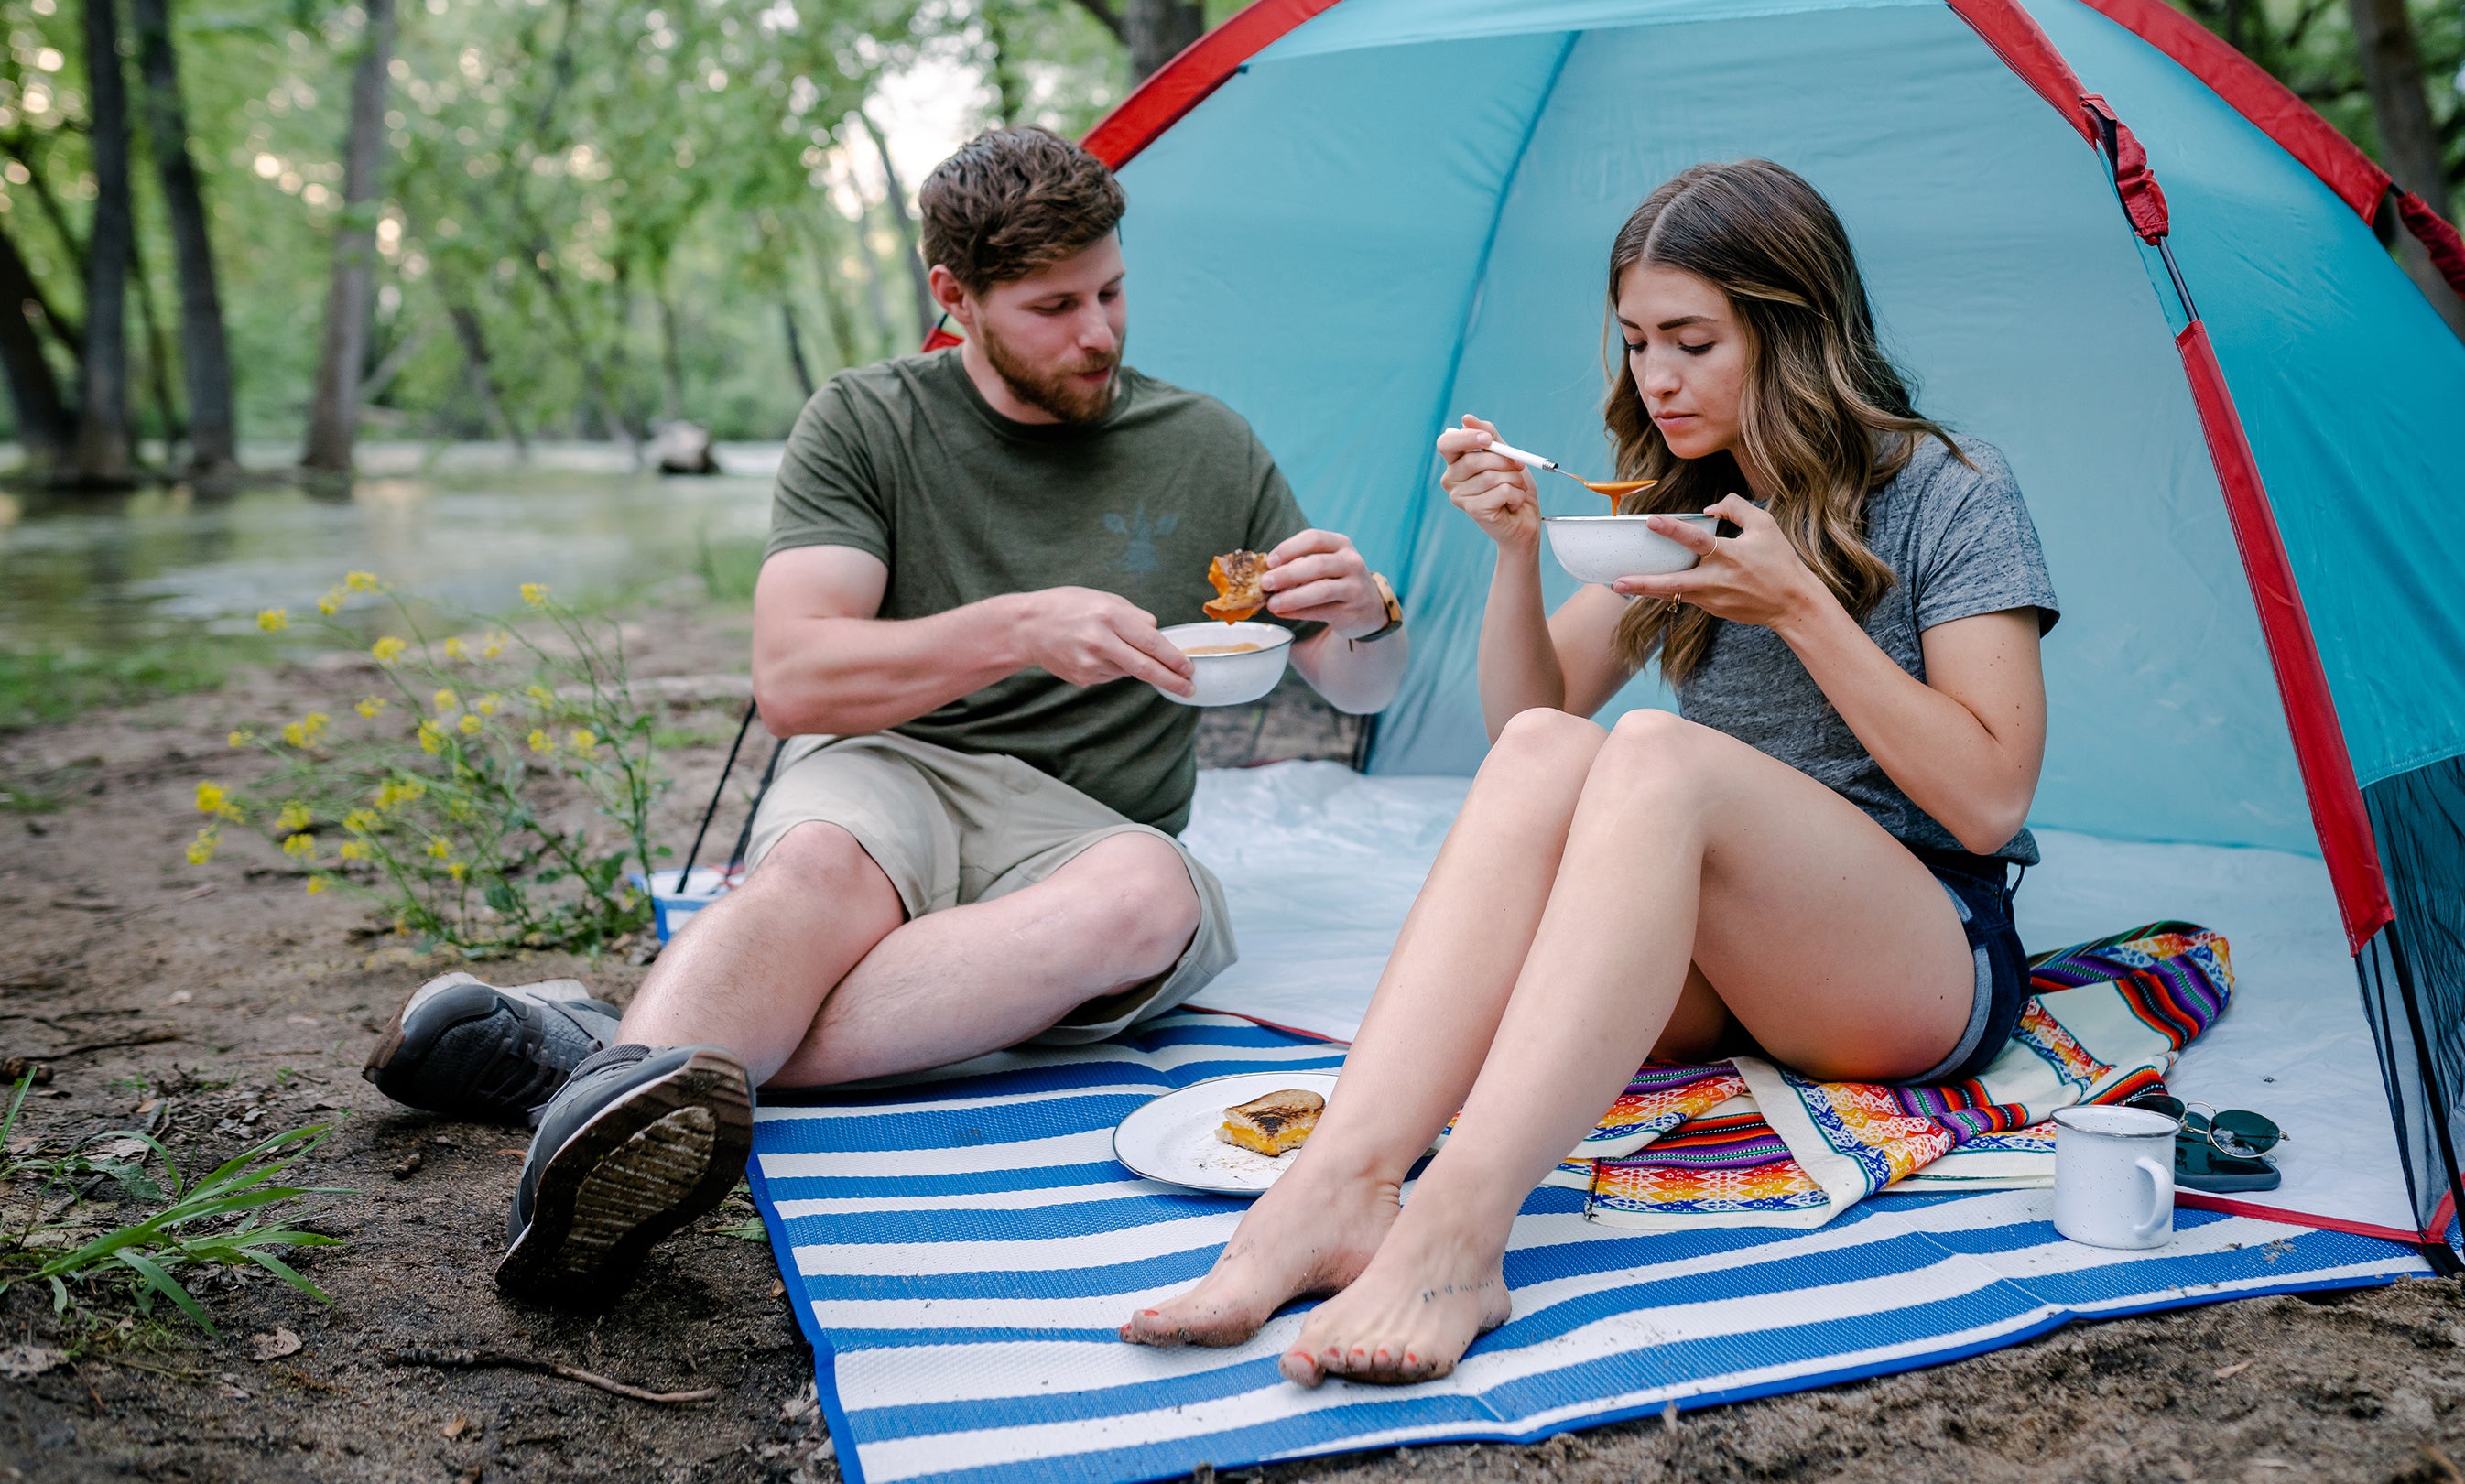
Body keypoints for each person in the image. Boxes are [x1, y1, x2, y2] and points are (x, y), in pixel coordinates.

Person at [362, 127, 1409, 1304]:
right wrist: (1015, 627)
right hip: (892, 765)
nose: (1100, 332)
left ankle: (604, 1068)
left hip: (1090, 830)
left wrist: (1365, 618)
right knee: (815, 867)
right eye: (1054, 306)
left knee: (1149, 897)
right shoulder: (867, 422)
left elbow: (1355, 687)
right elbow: (797, 679)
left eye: (1113, 291)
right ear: (953, 298)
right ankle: (598, 1162)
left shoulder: (1206, 444)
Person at [1123, 157, 2058, 1384]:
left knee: (1661, 753)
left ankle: (1461, 1224)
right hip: (1729, 967)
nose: (1654, 380)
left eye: (1690, 341)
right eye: (1634, 342)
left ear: (1794, 332)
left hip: (1919, 955)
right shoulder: (1681, 503)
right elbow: (1530, 721)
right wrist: (1515, 554)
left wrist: (1802, 610)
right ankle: (1338, 1184)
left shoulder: (1949, 487)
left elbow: (1991, 801)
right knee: (1564, 748)